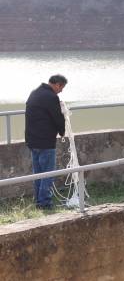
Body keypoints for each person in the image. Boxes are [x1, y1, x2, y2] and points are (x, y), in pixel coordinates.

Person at [25, 74, 67, 209]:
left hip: (32, 140)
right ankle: (45, 203)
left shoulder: (35, 92)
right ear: (57, 84)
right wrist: (62, 132)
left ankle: (38, 200)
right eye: (62, 88)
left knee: (38, 174)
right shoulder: (51, 97)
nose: (61, 91)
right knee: (48, 174)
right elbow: (57, 117)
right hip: (45, 142)